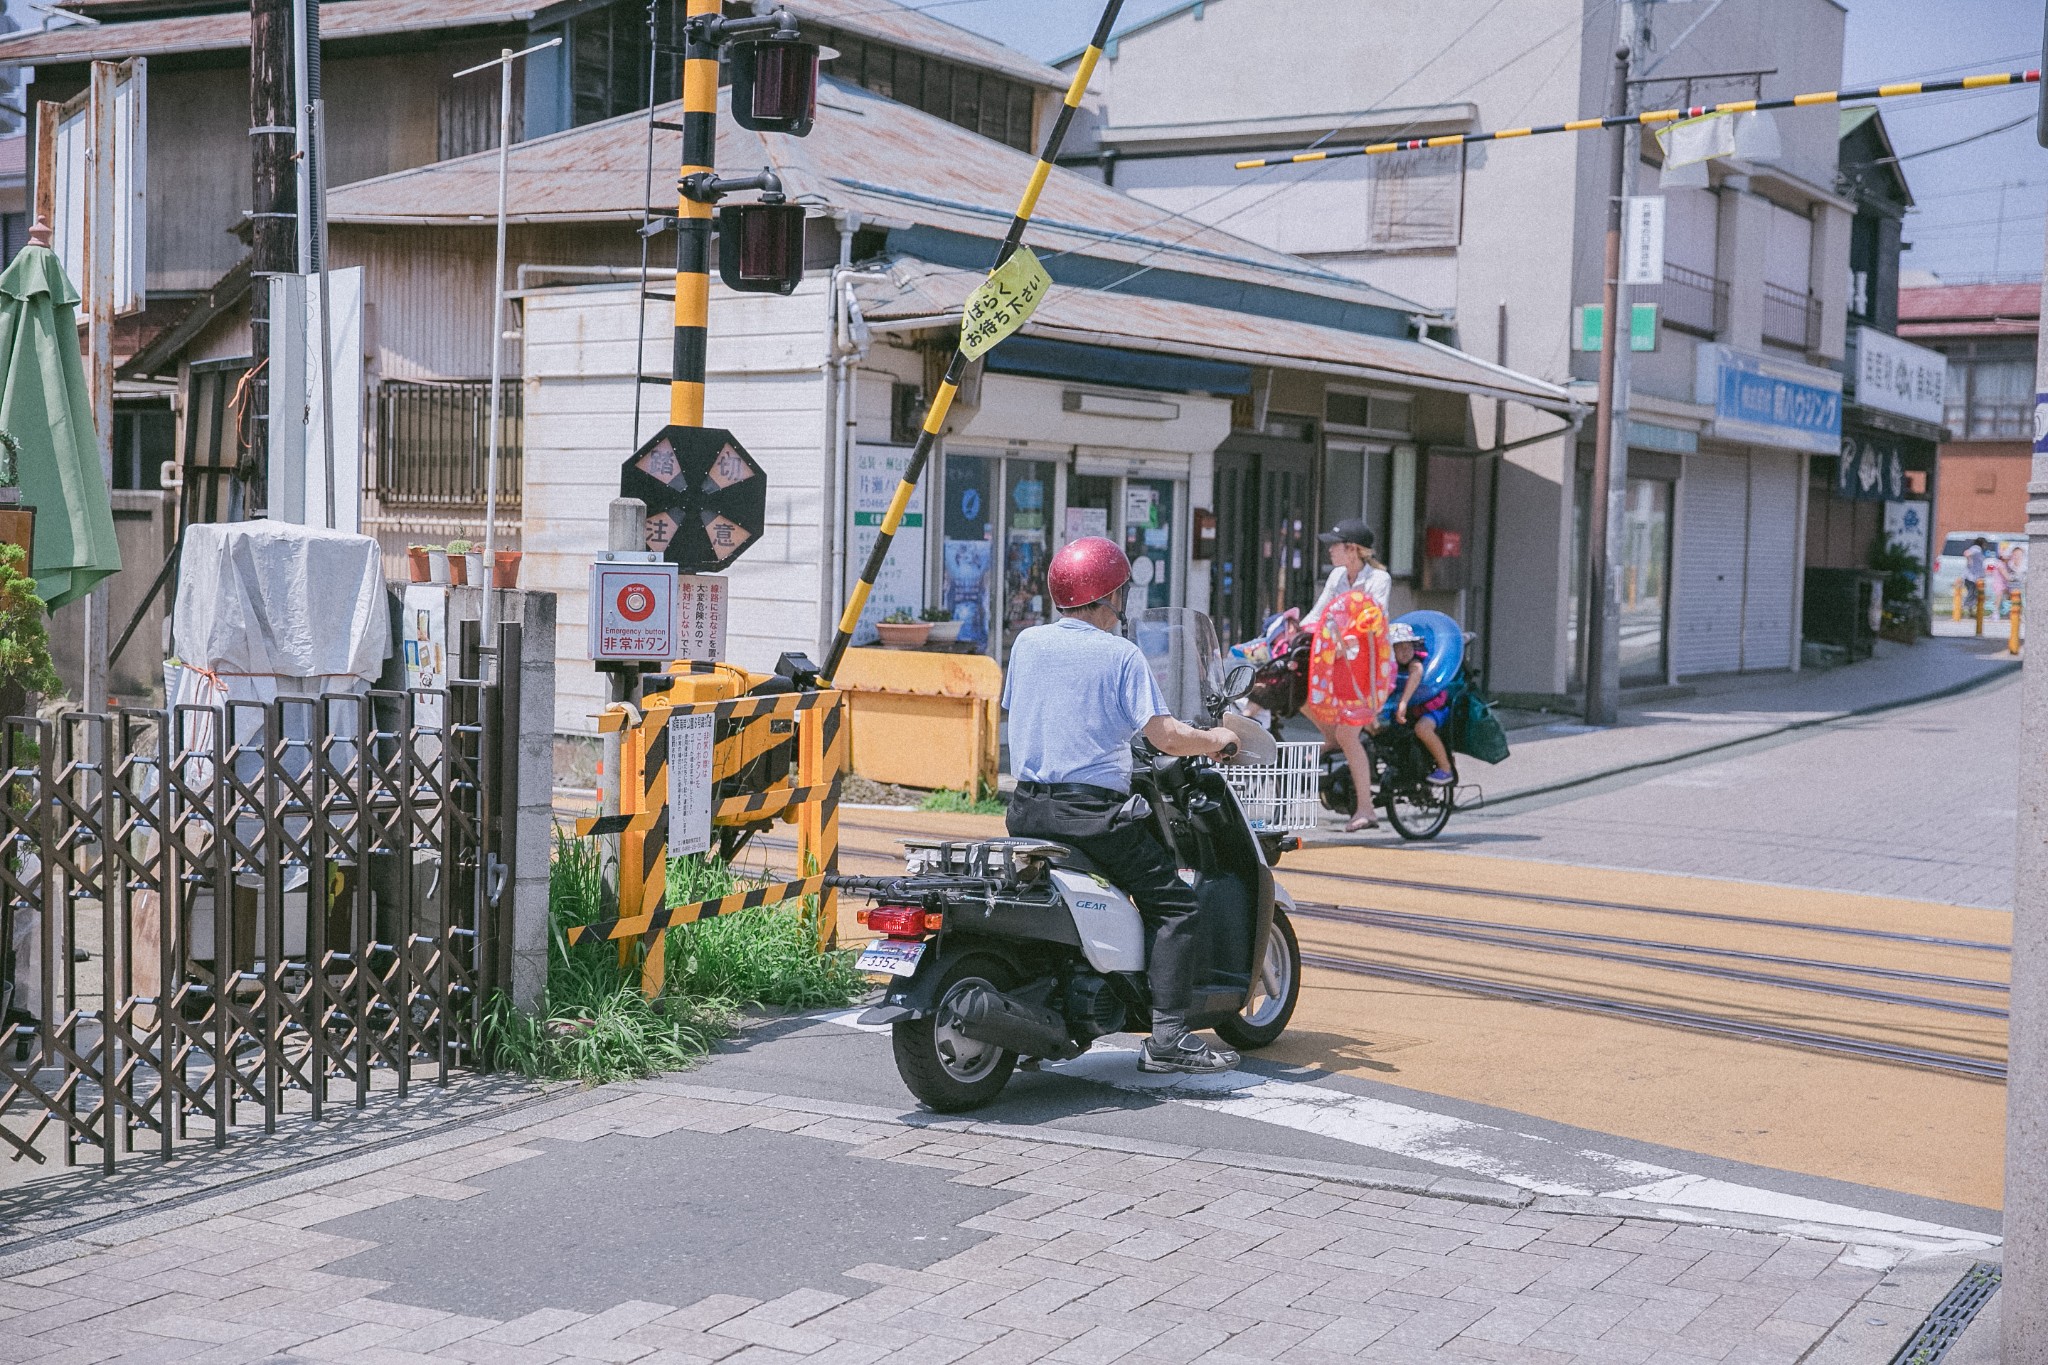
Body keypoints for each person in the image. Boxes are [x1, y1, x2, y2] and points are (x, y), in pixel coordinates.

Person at [1002, 536, 1245, 1076]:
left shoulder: (1027, 644)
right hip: (1090, 816)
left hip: (1025, 810)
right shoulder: (1120, 654)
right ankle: (1169, 1038)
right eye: (1121, 593)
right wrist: (1217, 740)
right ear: (1110, 595)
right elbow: (1165, 738)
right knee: (1174, 903)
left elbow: (1031, 712)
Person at [1301, 520, 1394, 832]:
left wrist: (1347, 640)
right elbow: (1319, 614)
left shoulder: (1379, 579)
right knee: (1302, 697)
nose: (1329, 549)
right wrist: (1292, 632)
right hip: (1339, 661)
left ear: (1352, 549)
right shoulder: (1338, 575)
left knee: (1346, 734)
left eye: (1335, 544)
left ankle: (1366, 809)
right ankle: (1335, 741)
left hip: (1369, 669)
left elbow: (1373, 619)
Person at [1387, 622, 1454, 785]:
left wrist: (1403, 703)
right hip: (1410, 709)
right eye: (1399, 646)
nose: (1404, 651)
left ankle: (1446, 769)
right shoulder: (1389, 665)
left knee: (1422, 729)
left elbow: (1416, 673)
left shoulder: (1415, 663)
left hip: (1432, 707)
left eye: (1408, 646)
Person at [1963, 537, 1988, 617]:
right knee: (1972, 593)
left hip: (1973, 576)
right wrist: (1969, 560)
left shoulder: (1977, 550)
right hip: (1971, 577)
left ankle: (1971, 611)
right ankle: (1965, 607)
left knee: (1974, 594)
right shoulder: (1976, 548)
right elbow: (1967, 553)